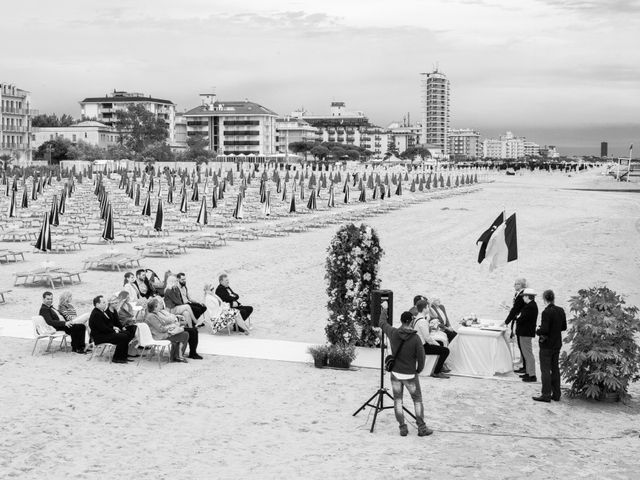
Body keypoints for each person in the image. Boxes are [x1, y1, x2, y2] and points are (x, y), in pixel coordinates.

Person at [377, 307, 433, 437]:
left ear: (401, 321)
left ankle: (402, 427)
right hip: (410, 374)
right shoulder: (415, 338)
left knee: (398, 400)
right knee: (417, 400)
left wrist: (384, 310)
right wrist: (418, 370)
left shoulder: (393, 333)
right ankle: (421, 428)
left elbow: (382, 323)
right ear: (411, 322)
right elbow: (421, 357)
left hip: (396, 374)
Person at [533, 290, 567, 402]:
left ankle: (546, 394)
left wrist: (538, 330)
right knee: (555, 368)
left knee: (545, 370)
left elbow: (545, 330)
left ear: (544, 299)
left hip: (547, 345)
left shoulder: (546, 312)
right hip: (557, 343)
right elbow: (564, 327)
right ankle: (556, 394)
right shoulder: (561, 310)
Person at [88, 295, 132, 364]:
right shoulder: (96, 314)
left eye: (105, 302)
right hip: (100, 337)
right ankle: (117, 358)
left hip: (105, 334)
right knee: (123, 336)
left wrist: (113, 328)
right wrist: (114, 330)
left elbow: (107, 324)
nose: (105, 304)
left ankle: (123, 356)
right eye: (103, 302)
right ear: (97, 304)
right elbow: (102, 328)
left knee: (126, 334)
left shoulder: (101, 311)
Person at [412, 300, 450, 378]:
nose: (429, 309)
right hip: (422, 347)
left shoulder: (418, 318)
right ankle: (436, 372)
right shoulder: (422, 321)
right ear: (424, 309)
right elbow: (427, 338)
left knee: (441, 344)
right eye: (427, 307)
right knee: (446, 351)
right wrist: (437, 344)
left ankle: (440, 365)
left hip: (420, 344)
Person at [505, 278, 528, 373]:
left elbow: (516, 309)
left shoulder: (522, 295)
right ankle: (522, 361)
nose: (514, 285)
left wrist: (506, 321)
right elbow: (515, 308)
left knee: (522, 344)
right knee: (520, 343)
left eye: (516, 284)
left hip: (521, 322)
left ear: (522, 285)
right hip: (517, 319)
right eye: (514, 284)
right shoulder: (517, 294)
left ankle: (525, 365)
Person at [517, 288, 538, 382]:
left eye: (524, 296)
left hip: (526, 333)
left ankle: (532, 375)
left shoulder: (530, 306)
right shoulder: (530, 305)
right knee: (526, 353)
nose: (523, 298)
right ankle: (528, 373)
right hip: (525, 332)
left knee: (528, 354)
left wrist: (518, 317)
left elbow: (522, 319)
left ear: (527, 296)